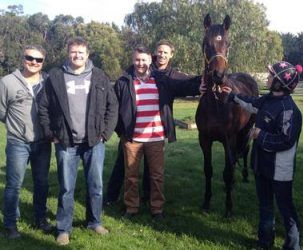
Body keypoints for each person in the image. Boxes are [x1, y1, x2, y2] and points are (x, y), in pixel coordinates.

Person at [37, 37, 118, 245]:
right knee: (66, 187)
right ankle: (63, 228)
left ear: (87, 54)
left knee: (96, 185)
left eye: (81, 52)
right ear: (68, 53)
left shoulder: (99, 76)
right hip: (66, 142)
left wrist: (105, 133)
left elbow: (113, 106)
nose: (77, 56)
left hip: (94, 142)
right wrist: (49, 132)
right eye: (74, 52)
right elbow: (43, 107)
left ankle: (94, 222)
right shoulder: (55, 76)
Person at [222, 61, 303, 250]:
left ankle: (293, 246)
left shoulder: (289, 110)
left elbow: (286, 141)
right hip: (261, 166)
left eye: (270, 75)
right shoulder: (267, 100)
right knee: (265, 206)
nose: (267, 78)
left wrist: (260, 135)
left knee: (286, 210)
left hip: (280, 171)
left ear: (279, 83)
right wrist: (232, 95)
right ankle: (265, 242)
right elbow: (250, 104)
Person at [114, 45, 200, 220]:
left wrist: (203, 84)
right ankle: (131, 207)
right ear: (133, 61)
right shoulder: (124, 81)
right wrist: (121, 132)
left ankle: (157, 209)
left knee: (157, 176)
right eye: (137, 60)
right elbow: (114, 108)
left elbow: (185, 86)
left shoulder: (161, 81)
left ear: (149, 61)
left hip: (155, 137)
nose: (141, 63)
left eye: (144, 60)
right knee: (131, 176)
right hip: (132, 139)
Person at [0, 45, 52, 239]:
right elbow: (2, 112)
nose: (34, 62)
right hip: (18, 142)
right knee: (14, 184)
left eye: (39, 60)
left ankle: (40, 219)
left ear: (43, 63)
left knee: (42, 183)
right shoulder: (7, 82)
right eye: (30, 58)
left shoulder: (48, 81)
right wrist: (18, 126)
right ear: (23, 58)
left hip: (42, 142)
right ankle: (10, 224)